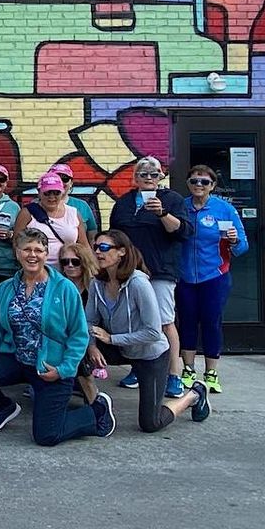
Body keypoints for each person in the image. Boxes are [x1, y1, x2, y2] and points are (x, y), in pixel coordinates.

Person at [0, 228, 115, 445]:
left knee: (46, 436)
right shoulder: (6, 288)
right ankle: (2, 407)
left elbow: (79, 336)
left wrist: (63, 369)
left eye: (38, 250)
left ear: (46, 254)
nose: (32, 255)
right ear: (17, 253)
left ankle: (97, 411)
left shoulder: (65, 289)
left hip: (51, 367)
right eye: (27, 249)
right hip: (17, 359)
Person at [88, 231, 211, 431]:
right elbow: (89, 321)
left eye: (104, 248)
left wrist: (111, 339)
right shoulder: (97, 283)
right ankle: (93, 404)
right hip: (121, 348)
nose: (97, 252)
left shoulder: (138, 283)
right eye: (95, 247)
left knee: (151, 423)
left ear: (121, 252)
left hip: (150, 353)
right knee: (77, 351)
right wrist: (93, 347)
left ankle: (194, 394)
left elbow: (153, 332)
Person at [109, 156, 193, 398]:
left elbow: (184, 232)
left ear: (161, 177)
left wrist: (162, 213)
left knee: (164, 321)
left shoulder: (172, 200)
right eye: (143, 174)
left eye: (153, 174)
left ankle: (173, 375)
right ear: (135, 178)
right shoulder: (124, 202)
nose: (148, 178)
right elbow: (115, 235)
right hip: (129, 272)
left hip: (160, 271)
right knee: (135, 321)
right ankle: (139, 369)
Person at [177, 165, 247, 393]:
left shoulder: (224, 209)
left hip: (215, 275)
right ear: (188, 183)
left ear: (213, 186)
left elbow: (243, 247)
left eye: (204, 182)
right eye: (194, 181)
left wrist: (234, 241)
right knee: (187, 321)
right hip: (185, 275)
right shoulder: (181, 207)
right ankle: (188, 369)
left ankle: (211, 373)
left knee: (211, 321)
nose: (199, 185)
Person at [13, 172, 91, 266]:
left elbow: (84, 245)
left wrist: (92, 267)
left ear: (62, 193)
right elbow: (16, 244)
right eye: (47, 193)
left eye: (56, 193)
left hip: (68, 269)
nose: (52, 197)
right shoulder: (27, 213)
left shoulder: (73, 213)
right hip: (37, 269)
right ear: (39, 192)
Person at [58, 242, 103, 403]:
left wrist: (92, 344)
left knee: (76, 347)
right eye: (65, 262)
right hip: (65, 336)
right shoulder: (57, 286)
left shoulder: (95, 286)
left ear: (84, 262)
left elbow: (97, 321)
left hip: (94, 337)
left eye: (75, 262)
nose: (70, 265)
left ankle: (93, 398)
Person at [52, 163, 98, 241]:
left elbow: (92, 236)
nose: (60, 182)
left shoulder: (82, 206)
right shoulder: (38, 206)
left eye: (65, 179)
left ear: (71, 183)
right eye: (56, 178)